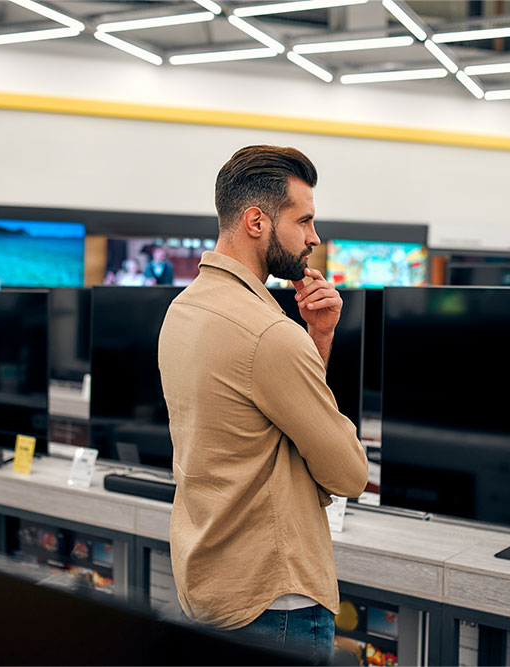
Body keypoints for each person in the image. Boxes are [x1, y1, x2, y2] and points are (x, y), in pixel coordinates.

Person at [158, 145, 368, 662]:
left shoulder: (182, 311)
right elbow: (349, 475)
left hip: (210, 582)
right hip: (276, 602)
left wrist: (317, 338)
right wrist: (304, 341)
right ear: (257, 220)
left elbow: (268, 424)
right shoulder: (270, 334)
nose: (314, 238)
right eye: (304, 220)